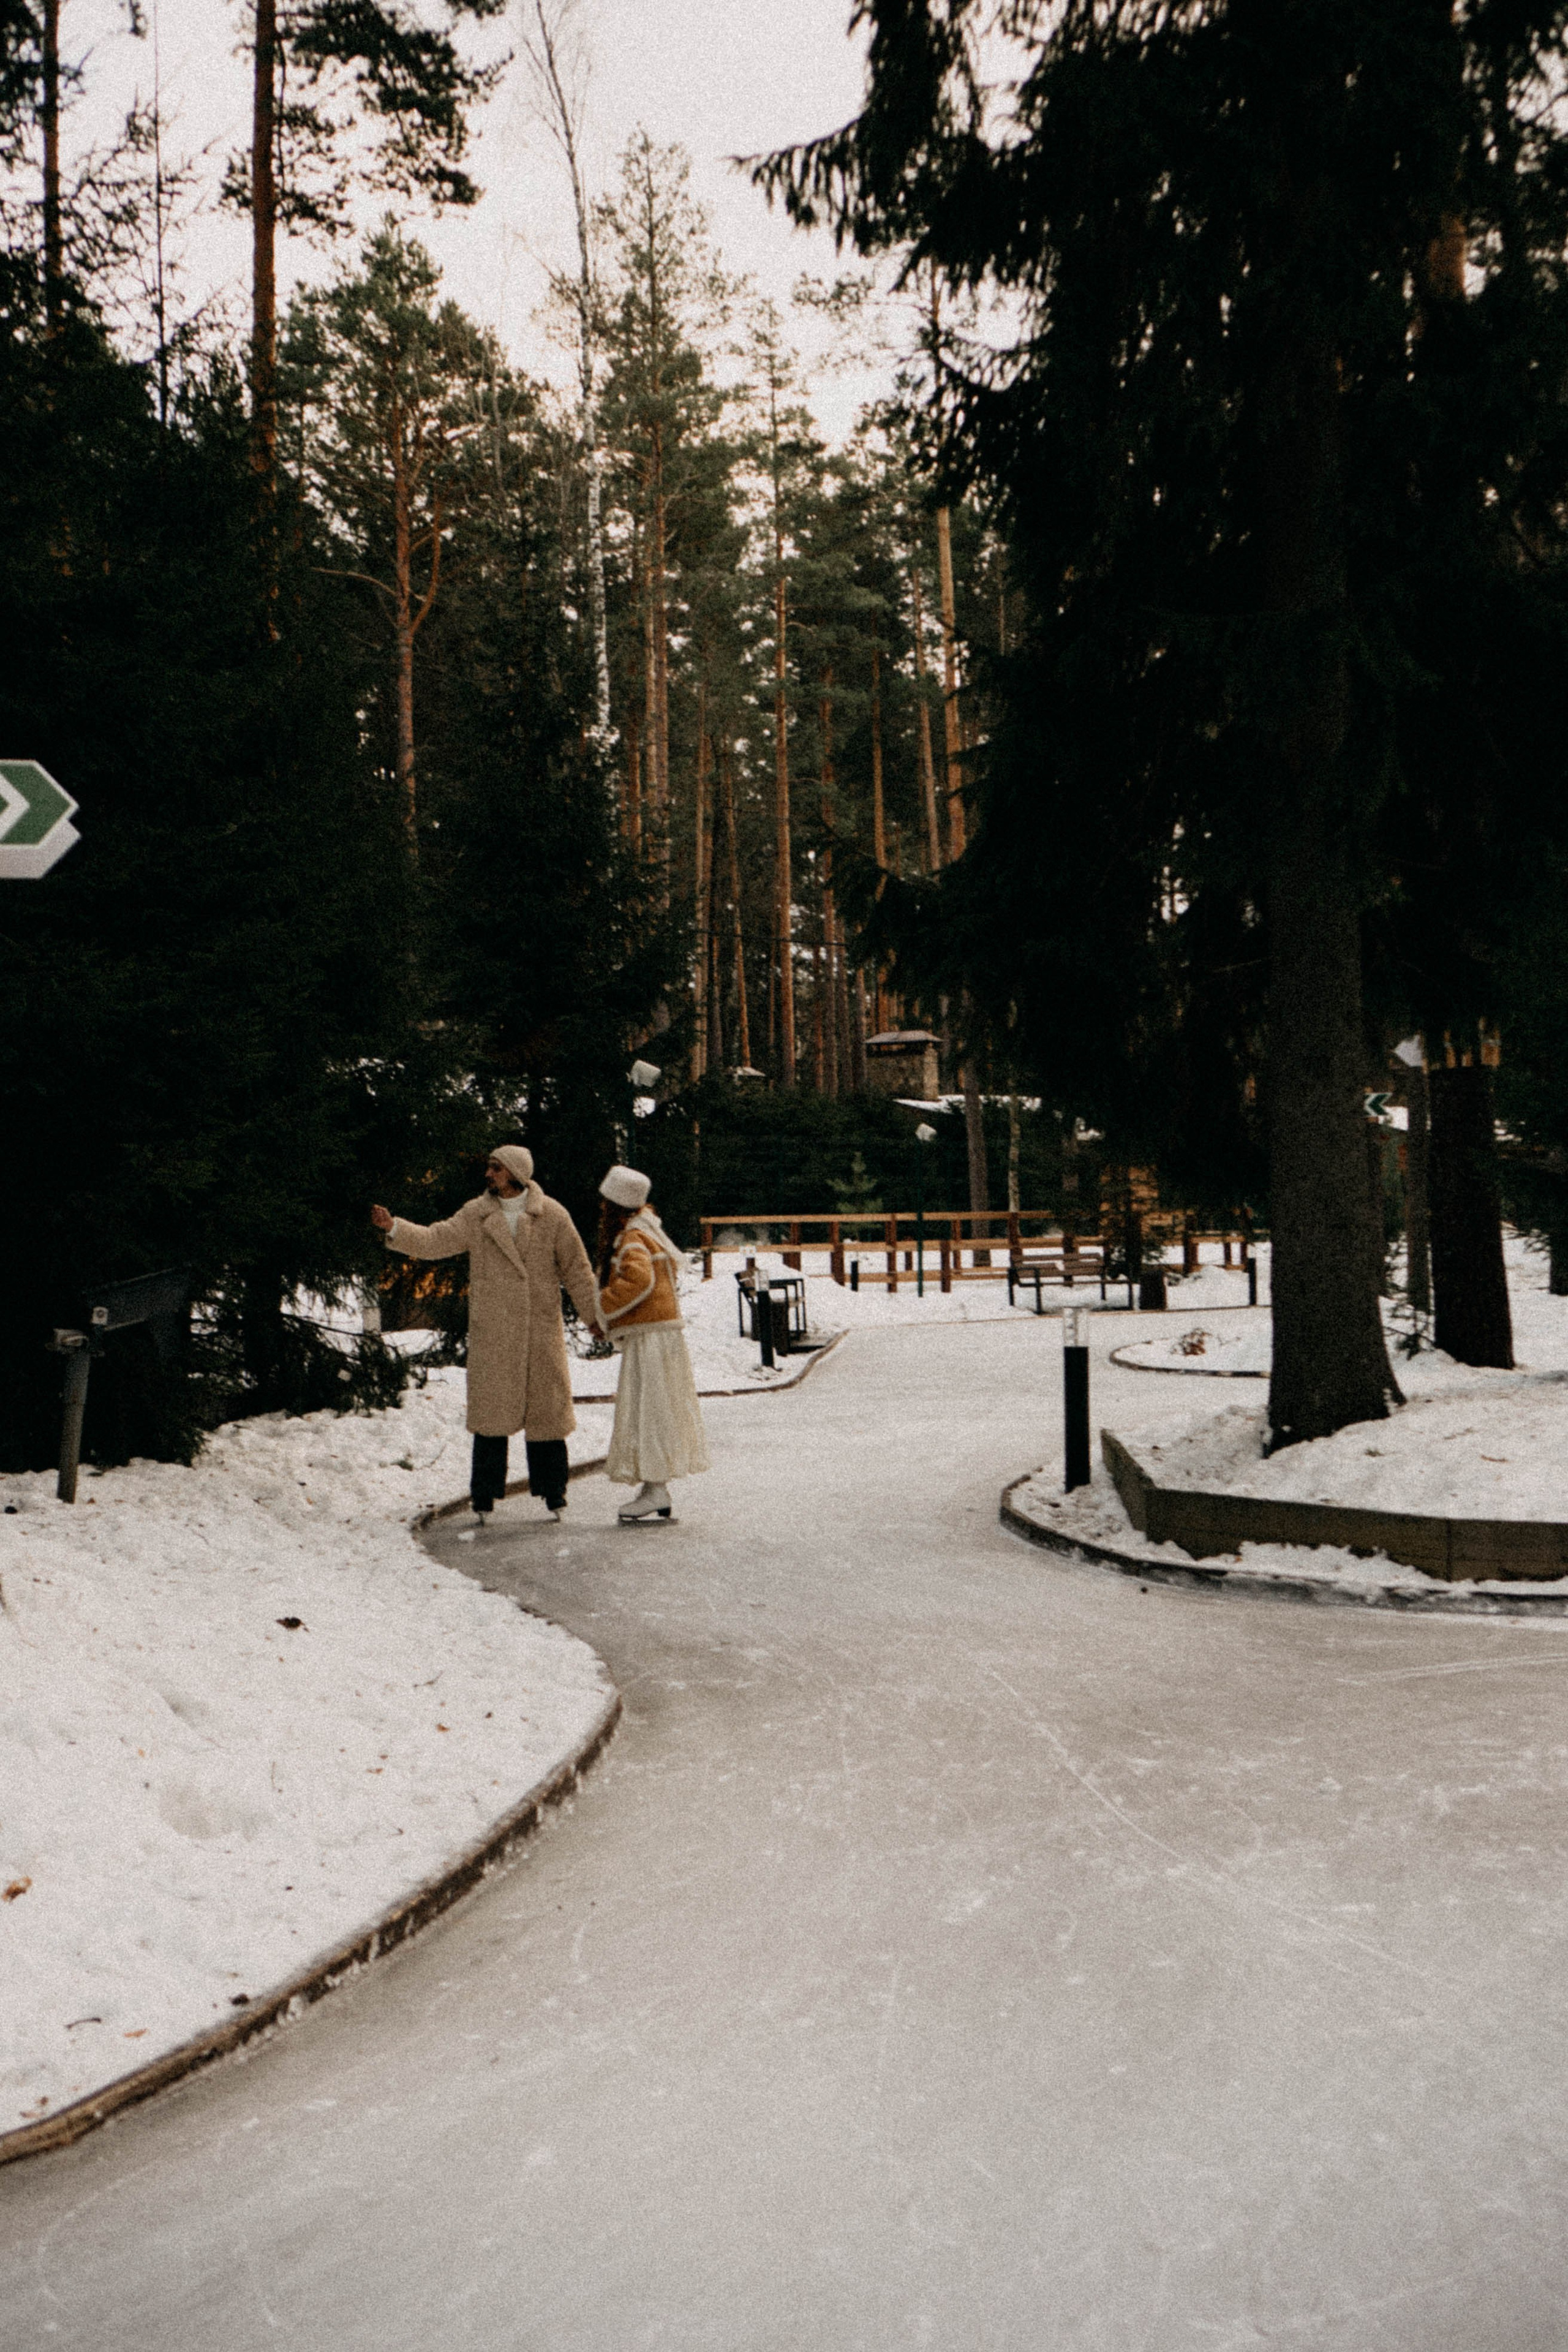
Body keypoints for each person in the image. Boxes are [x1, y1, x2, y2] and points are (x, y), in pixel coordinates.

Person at [371, 1147, 599, 1526]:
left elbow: (577, 1269)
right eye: (490, 1168)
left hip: (539, 1330)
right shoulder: (477, 1214)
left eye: (495, 1168)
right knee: (492, 1417)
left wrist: (594, 1317)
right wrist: (394, 1227)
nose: (488, 1175)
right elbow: (435, 1240)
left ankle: (554, 1492)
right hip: (495, 1332)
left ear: (515, 1173)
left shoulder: (553, 1215)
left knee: (546, 1417)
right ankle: (484, 1497)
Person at [596, 1166, 709, 1523]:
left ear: (616, 1205)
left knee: (650, 1409)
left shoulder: (632, 1237)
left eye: (605, 1203)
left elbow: (640, 1279)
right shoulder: (648, 1230)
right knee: (654, 1408)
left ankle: (656, 1487)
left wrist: (604, 1306)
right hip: (659, 1335)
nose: (601, 1210)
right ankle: (654, 1486)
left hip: (652, 1338)